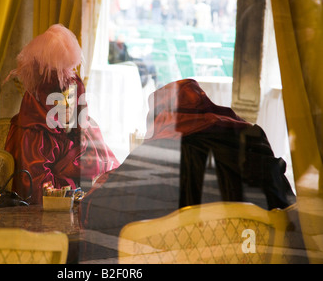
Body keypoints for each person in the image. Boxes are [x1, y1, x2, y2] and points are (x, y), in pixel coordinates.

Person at [80, 79, 295, 236]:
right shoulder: (252, 139)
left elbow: (100, 210)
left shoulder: (158, 153)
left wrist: (106, 181)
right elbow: (288, 210)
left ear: (162, 116)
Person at [3, 24, 119, 204]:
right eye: (57, 99)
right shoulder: (33, 136)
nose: (66, 105)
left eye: (71, 97)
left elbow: (110, 172)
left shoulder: (86, 130)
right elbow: (37, 188)